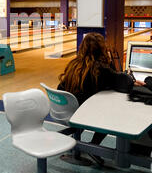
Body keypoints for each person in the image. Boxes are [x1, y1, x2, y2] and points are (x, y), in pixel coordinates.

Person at [57, 32, 132, 164]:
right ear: (102, 49)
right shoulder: (101, 69)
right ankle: (94, 145)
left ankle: (81, 146)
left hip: (69, 110)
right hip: (86, 113)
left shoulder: (73, 64)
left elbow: (60, 87)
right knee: (115, 111)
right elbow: (123, 83)